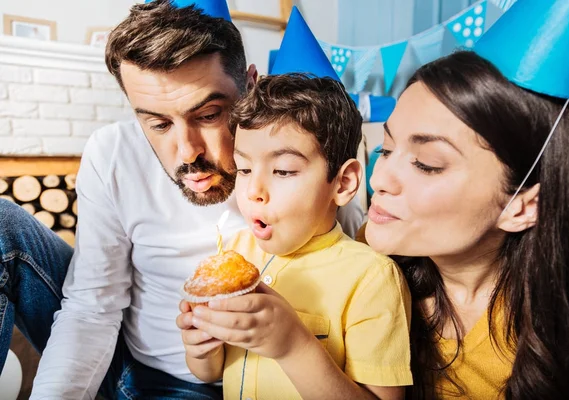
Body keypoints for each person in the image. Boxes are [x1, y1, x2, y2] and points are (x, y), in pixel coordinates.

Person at [0, 0, 363, 398]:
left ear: (251, 85)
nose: (187, 152)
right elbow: (92, 305)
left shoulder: (301, 162)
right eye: (157, 124)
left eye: (208, 115)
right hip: (131, 363)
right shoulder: (113, 153)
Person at [364, 0, 569, 398]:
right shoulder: (358, 268)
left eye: (426, 163)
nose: (380, 179)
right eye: (385, 150)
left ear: (522, 206)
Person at [179, 72, 412, 400]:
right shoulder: (237, 252)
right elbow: (210, 372)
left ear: (343, 183)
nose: (254, 191)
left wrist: (293, 345)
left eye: (283, 171)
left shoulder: (371, 278)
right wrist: (201, 350)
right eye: (244, 169)